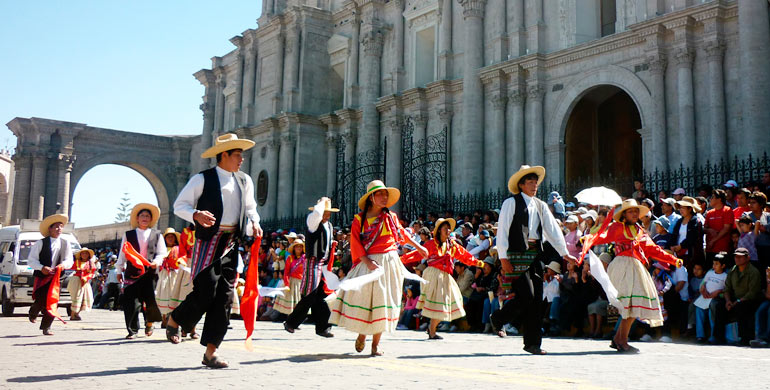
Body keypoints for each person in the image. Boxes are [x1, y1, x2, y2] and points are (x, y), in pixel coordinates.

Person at [167, 133, 262, 369]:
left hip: (231, 242)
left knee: (226, 298)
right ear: (224, 155)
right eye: (238, 155)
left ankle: (211, 352)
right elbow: (180, 206)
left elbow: (251, 208)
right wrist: (196, 215)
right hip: (208, 241)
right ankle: (176, 318)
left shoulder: (244, 181)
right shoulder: (202, 179)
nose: (241, 160)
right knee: (206, 290)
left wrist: (255, 222)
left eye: (242, 155)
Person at [327, 180, 428, 356]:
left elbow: (401, 234)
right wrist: (367, 262)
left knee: (384, 301)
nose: (384, 197)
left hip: (390, 262)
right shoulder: (359, 219)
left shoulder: (390, 217)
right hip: (370, 262)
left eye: (385, 194)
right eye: (380, 194)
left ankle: (375, 344)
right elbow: (356, 244)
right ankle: (362, 334)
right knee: (366, 299)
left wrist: (418, 246)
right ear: (371, 197)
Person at [491, 165, 576, 355]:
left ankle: (532, 343)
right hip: (516, 254)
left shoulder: (541, 205)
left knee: (536, 300)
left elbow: (552, 230)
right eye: (529, 182)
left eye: (535, 182)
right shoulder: (510, 203)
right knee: (527, 296)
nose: (534, 185)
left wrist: (564, 253)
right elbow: (503, 230)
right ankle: (499, 317)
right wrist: (503, 257)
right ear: (521, 185)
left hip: (536, 254)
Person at [580, 199, 682, 353]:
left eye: (636, 211)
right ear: (624, 215)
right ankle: (622, 340)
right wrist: (588, 239)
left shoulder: (640, 231)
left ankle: (619, 339)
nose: (634, 214)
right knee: (630, 305)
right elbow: (602, 236)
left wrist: (673, 260)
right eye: (631, 211)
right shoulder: (617, 227)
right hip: (622, 267)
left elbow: (654, 250)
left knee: (633, 305)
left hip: (635, 267)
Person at [403, 218, 483, 339]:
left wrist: (478, 263)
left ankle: (432, 329)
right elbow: (416, 254)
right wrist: (400, 259)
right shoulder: (431, 244)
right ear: (439, 230)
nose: (448, 230)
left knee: (450, 304)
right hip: (433, 275)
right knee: (442, 305)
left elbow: (464, 255)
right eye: (446, 228)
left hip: (445, 276)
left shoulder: (452, 245)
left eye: (449, 228)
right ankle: (432, 330)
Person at [284, 197, 339, 338]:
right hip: (313, 262)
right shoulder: (313, 222)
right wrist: (320, 204)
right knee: (310, 293)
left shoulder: (329, 225)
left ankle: (323, 327)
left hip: (323, 263)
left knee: (321, 295)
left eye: (329, 212)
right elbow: (316, 215)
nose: (327, 214)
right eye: (325, 211)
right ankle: (291, 322)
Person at [116, 203, 166, 339]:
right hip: (132, 272)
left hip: (150, 272)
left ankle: (149, 323)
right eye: (142, 216)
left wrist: (156, 262)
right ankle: (132, 330)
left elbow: (162, 253)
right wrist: (119, 270)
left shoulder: (157, 235)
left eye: (147, 216)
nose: (145, 218)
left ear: (151, 219)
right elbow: (123, 252)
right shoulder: (129, 234)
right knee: (131, 302)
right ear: (137, 218)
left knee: (150, 300)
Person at [27, 214, 74, 335]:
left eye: (61, 227)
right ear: (50, 228)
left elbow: (69, 260)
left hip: (57, 277)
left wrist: (62, 265)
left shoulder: (65, 243)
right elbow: (31, 260)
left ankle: (46, 327)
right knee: (41, 298)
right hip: (43, 276)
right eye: (56, 227)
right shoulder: (41, 243)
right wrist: (41, 267)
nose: (59, 229)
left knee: (53, 301)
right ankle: (33, 312)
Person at [713, 248, 762, 346]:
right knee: (719, 306)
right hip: (735, 299)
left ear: (747, 258)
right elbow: (727, 289)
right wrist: (728, 301)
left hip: (749, 300)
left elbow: (752, 293)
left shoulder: (753, 272)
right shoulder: (733, 270)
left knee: (742, 307)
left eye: (740, 257)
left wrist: (737, 302)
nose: (737, 258)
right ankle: (718, 338)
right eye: (736, 256)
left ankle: (744, 338)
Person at [695, 254, 728, 343]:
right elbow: (703, 283)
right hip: (705, 297)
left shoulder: (725, 276)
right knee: (699, 310)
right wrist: (703, 289)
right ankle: (700, 336)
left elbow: (726, 291)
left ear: (723, 266)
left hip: (715, 299)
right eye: (713, 264)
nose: (714, 266)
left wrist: (718, 292)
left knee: (712, 313)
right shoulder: (710, 273)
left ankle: (714, 336)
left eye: (717, 264)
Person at [670, 198, 704, 270]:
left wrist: (681, 246)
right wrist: (672, 246)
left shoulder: (695, 221)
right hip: (678, 253)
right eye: (680, 208)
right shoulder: (679, 221)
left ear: (690, 209)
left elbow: (692, 237)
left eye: (683, 208)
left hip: (691, 254)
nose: (681, 210)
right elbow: (674, 235)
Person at [275, 239, 305, 316]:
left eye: (300, 246)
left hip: (301, 282)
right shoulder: (290, 258)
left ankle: (295, 321)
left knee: (300, 303)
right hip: (292, 282)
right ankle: (290, 320)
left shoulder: (305, 258)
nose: (299, 248)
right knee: (291, 302)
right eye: (297, 246)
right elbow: (286, 272)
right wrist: (287, 283)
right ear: (294, 248)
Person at [704, 189, 735, 264]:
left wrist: (713, 241)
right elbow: (704, 228)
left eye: (712, 197)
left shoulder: (727, 210)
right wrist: (709, 230)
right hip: (710, 249)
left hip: (723, 249)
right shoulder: (709, 213)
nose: (710, 199)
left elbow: (726, 229)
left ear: (719, 199)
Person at [67, 248, 98, 321]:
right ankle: (72, 315)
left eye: (86, 253)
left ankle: (76, 314)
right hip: (76, 281)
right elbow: (70, 269)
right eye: (83, 253)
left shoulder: (91, 263)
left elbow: (91, 273)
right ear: (80, 255)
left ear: (89, 255)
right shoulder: (77, 262)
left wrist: (86, 277)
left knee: (86, 298)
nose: (84, 255)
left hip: (85, 282)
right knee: (77, 297)